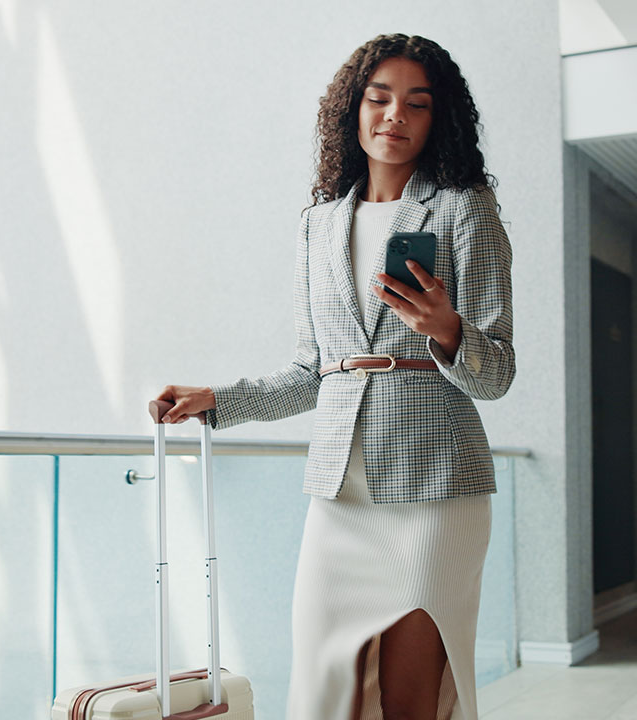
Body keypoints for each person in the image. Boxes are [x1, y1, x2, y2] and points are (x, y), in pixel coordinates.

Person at [156, 34, 513, 720]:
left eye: (417, 103)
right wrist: (217, 401)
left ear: (439, 120)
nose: (394, 116)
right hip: (339, 493)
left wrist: (446, 329)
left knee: (411, 702)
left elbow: (496, 374)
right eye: (378, 98)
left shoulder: (465, 209)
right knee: (327, 695)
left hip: (435, 489)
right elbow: (311, 370)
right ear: (352, 110)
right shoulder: (318, 224)